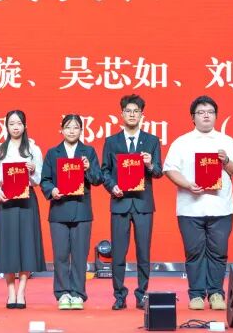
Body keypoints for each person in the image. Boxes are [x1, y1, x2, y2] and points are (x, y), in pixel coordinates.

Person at [163, 95, 233, 311]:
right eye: (201, 112)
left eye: (210, 112)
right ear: (193, 117)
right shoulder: (182, 142)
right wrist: (188, 185)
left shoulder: (228, 142)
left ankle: (216, 293)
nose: (206, 115)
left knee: (218, 252)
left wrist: (226, 161)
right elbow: (169, 169)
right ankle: (197, 294)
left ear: (216, 116)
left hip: (221, 207)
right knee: (194, 252)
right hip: (190, 208)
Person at [100, 94, 163, 310]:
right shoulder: (112, 142)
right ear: (122, 114)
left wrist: (150, 164)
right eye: (128, 111)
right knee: (118, 252)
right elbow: (104, 171)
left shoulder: (152, 141)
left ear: (142, 115)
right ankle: (119, 295)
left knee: (143, 253)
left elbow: (158, 172)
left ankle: (141, 294)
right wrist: (112, 186)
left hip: (143, 204)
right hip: (120, 202)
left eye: (136, 111)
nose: (132, 115)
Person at [41, 114, 102, 310]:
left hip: (81, 210)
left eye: (76, 127)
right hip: (59, 210)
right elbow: (45, 180)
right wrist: (52, 190)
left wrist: (88, 168)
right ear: (61, 130)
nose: (72, 131)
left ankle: (77, 294)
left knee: (79, 255)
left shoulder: (88, 152)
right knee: (60, 255)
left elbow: (97, 179)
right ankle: (62, 293)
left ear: (81, 130)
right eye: (68, 127)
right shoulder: (53, 153)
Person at [0, 110, 46, 309]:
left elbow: (39, 179)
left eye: (19, 123)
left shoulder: (33, 149)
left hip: (27, 201)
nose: (15, 127)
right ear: (6, 126)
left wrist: (33, 170)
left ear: (25, 126)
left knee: (27, 245)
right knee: (8, 246)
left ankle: (21, 292)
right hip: (7, 201)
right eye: (11, 123)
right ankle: (11, 291)